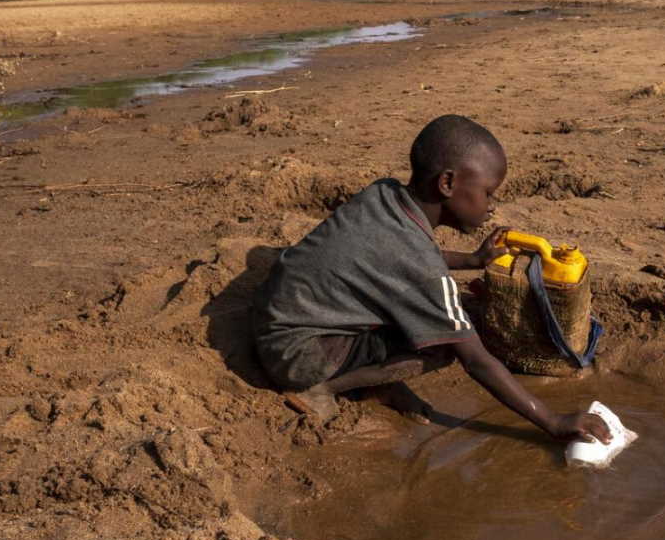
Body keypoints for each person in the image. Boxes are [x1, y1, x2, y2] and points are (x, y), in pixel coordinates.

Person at [251, 114, 611, 445]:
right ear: (448, 183)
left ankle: (376, 383)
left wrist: (472, 260)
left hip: (277, 319)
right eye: (487, 192)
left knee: (425, 312)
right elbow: (476, 360)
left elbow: (393, 258)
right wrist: (553, 420)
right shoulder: (420, 263)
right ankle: (325, 387)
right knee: (444, 343)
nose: (491, 205)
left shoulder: (385, 194)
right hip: (297, 356)